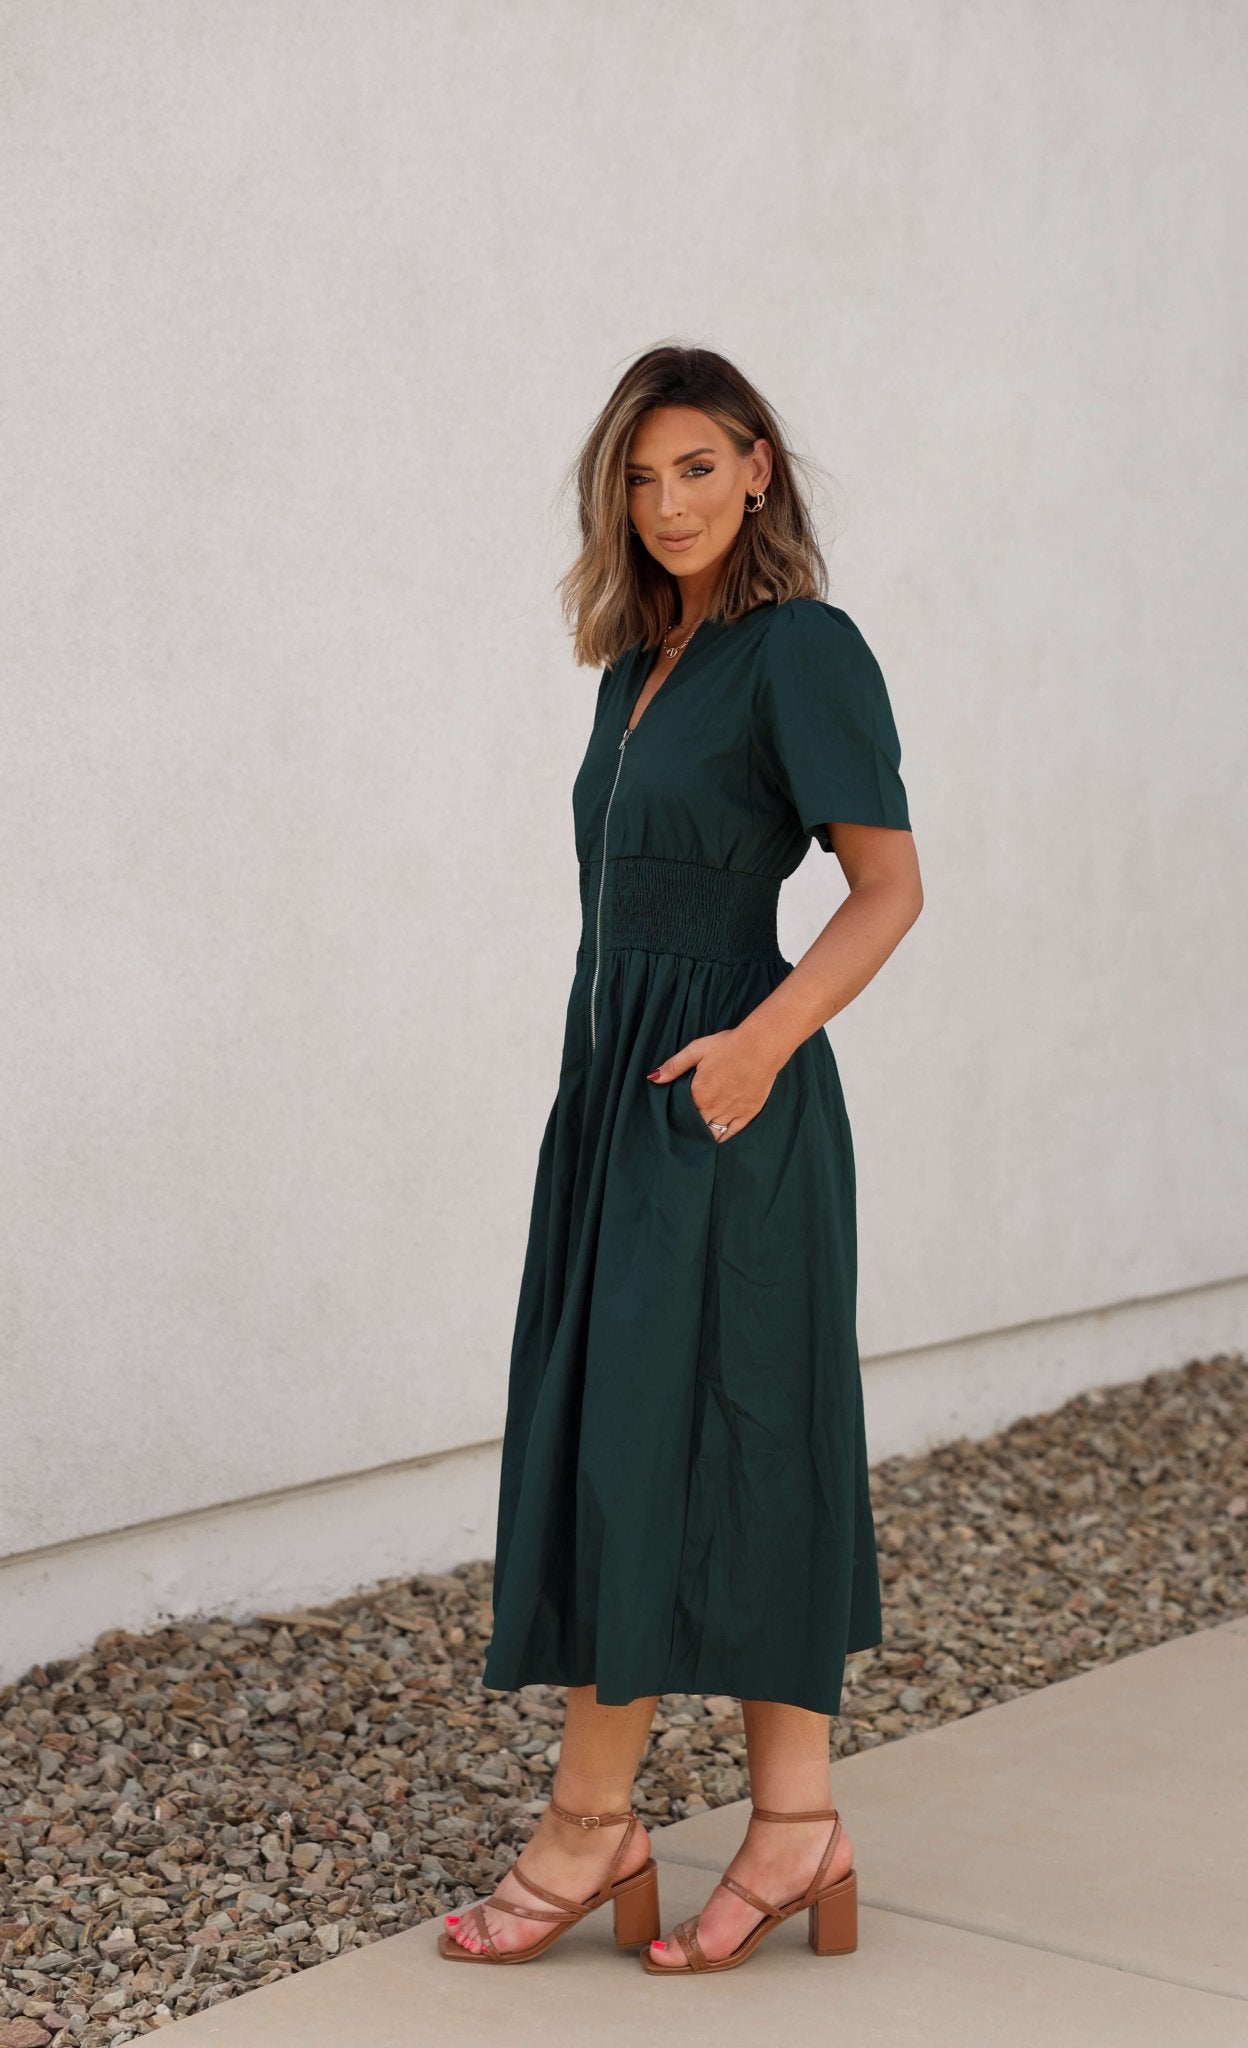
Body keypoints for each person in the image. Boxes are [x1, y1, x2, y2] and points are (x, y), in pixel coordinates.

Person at [441, 343, 924, 1973]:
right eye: (640, 480)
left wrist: (755, 1051)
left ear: (759, 470)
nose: (667, 505)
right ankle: (794, 1827)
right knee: (661, 1426)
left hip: (731, 1092)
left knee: (679, 1440)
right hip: (618, 1099)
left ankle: (592, 1827)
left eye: (697, 469)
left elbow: (887, 889)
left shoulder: (804, 650)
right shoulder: (632, 666)